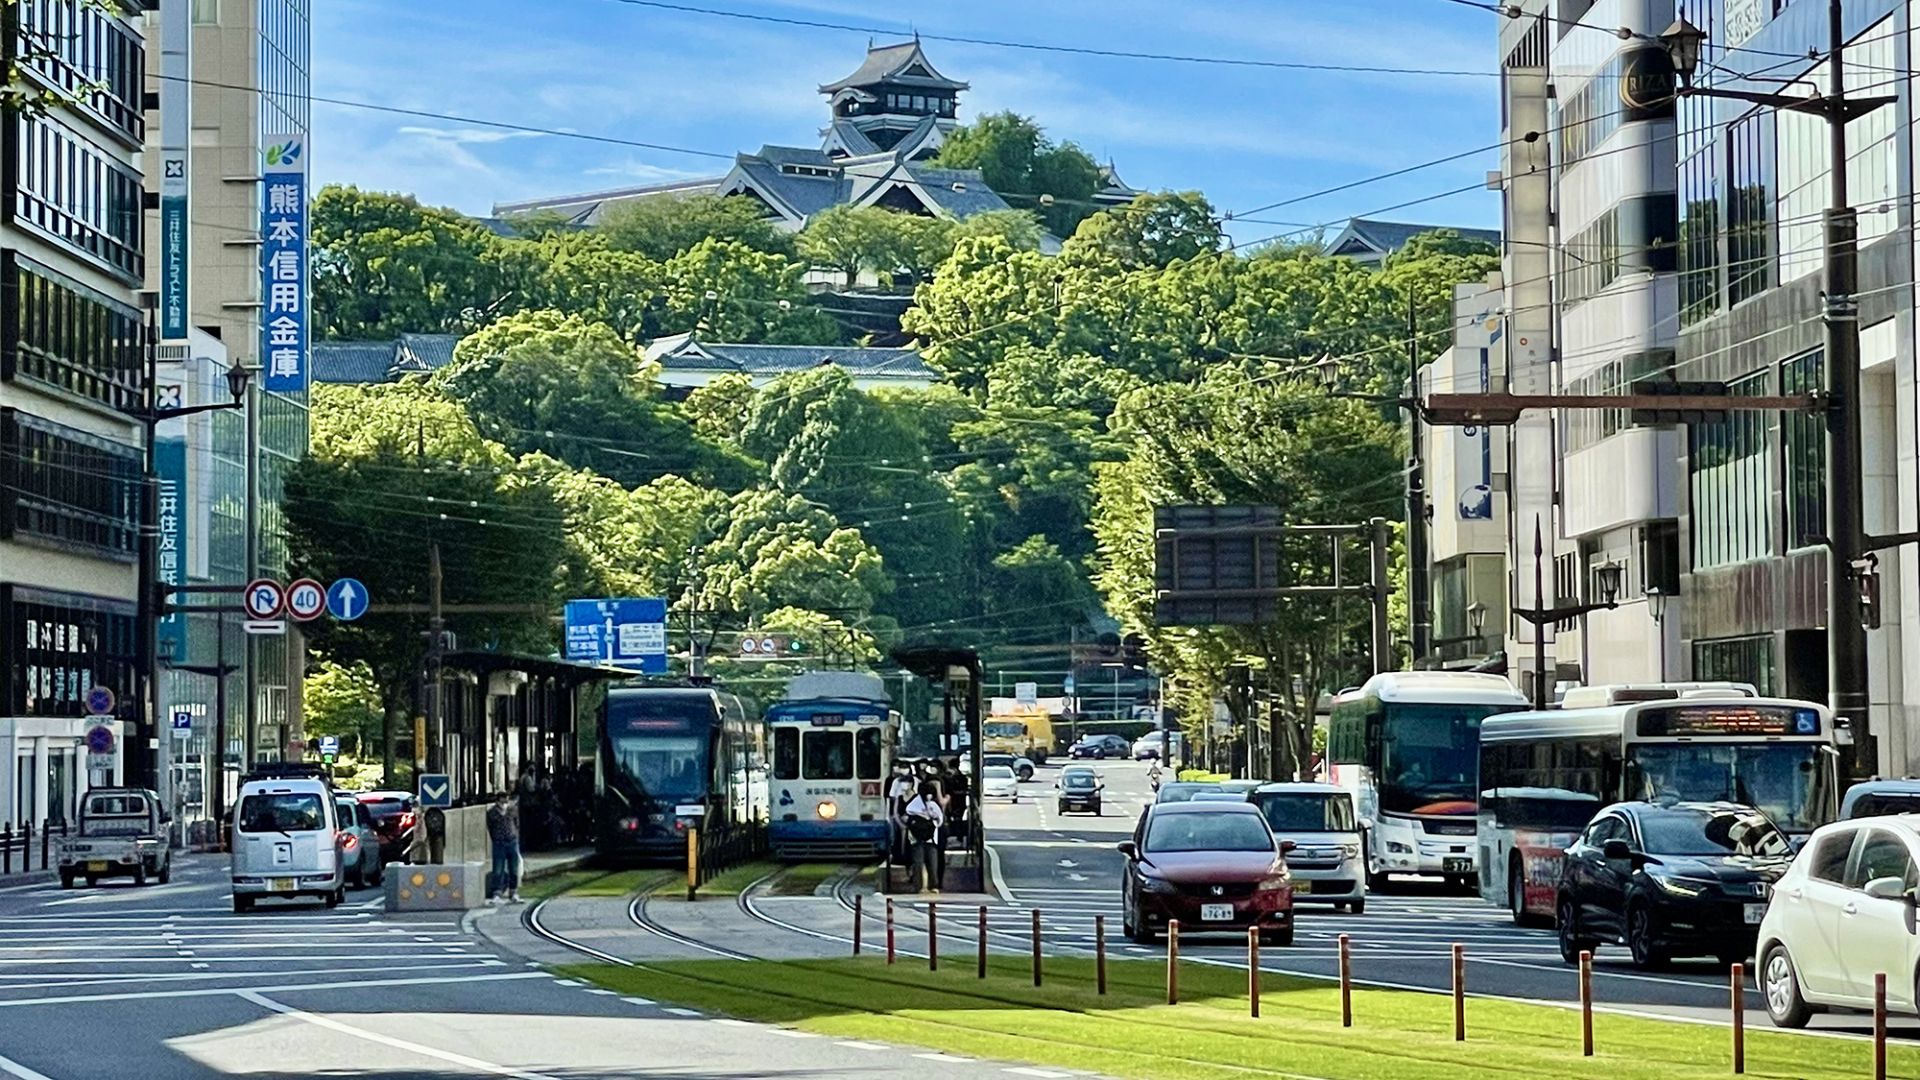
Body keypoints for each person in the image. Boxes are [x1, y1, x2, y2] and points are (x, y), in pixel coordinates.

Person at [903, 780, 945, 893]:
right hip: (918, 838)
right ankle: (920, 886)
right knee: (919, 862)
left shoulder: (933, 804)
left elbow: (939, 819)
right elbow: (909, 812)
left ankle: (933, 885)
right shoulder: (915, 803)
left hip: (930, 838)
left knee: (931, 862)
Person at [485, 790, 521, 904]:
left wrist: (515, 836)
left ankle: (513, 892)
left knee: (513, 869)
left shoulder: (512, 810)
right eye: (503, 798)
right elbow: (490, 827)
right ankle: (497, 893)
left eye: (506, 798)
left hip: (512, 841)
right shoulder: (491, 813)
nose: (505, 800)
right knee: (498, 869)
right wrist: (496, 838)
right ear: (498, 799)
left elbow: (516, 824)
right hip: (499, 843)